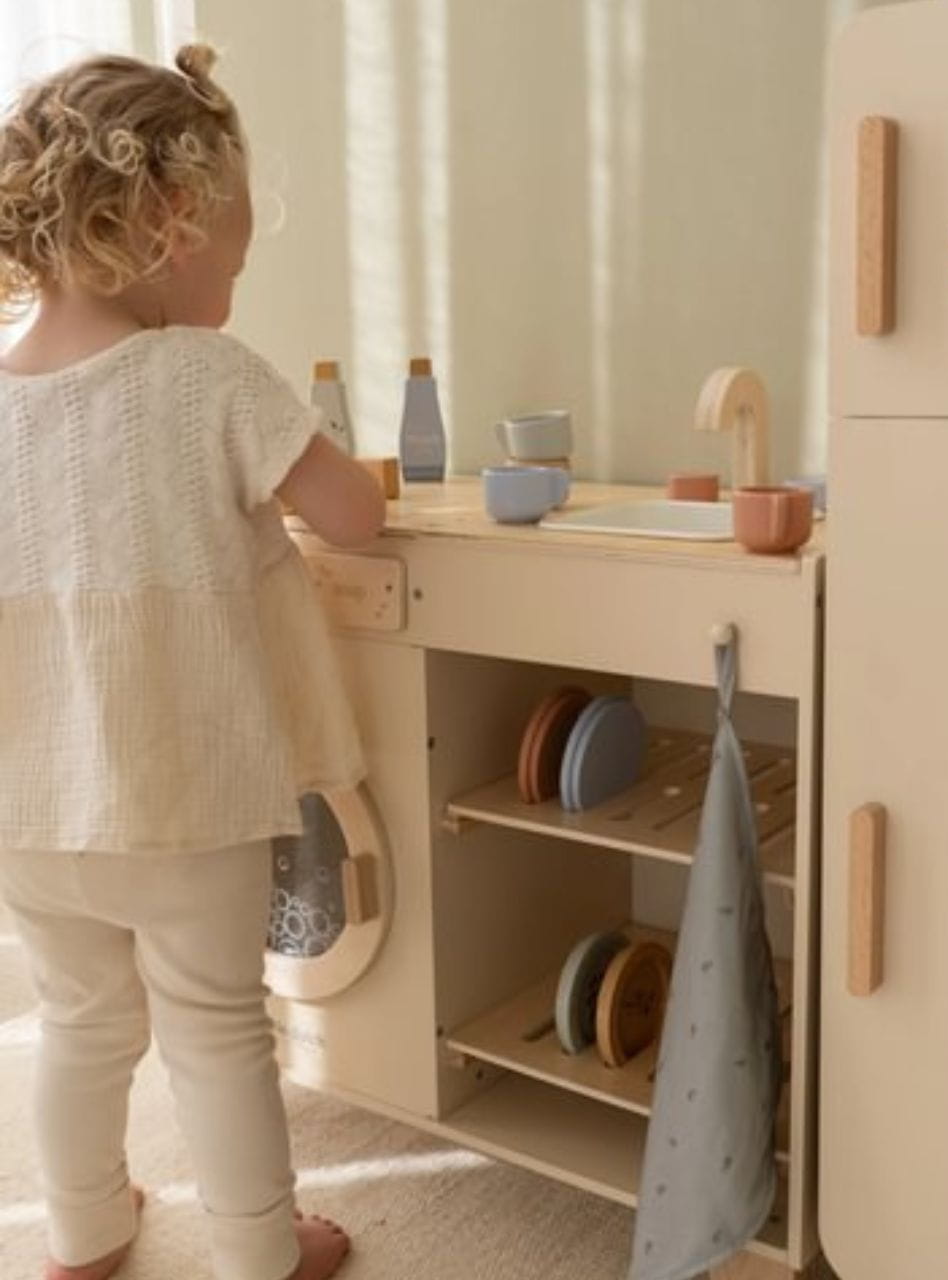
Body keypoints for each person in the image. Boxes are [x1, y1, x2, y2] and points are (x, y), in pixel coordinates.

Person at [0, 42, 386, 1280]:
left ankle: (82, 1234)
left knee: (79, 1019)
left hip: (27, 803)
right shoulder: (204, 375)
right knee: (218, 1028)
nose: (229, 283)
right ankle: (260, 1252)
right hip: (186, 792)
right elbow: (352, 517)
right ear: (170, 222)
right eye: (233, 254)